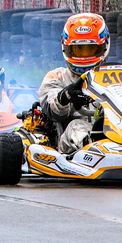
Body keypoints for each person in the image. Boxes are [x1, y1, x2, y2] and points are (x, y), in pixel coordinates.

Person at [37, 13, 110, 153]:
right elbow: (51, 108)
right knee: (77, 126)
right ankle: (92, 147)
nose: (84, 56)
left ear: (104, 46)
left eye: (91, 49)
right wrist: (65, 97)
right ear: (66, 48)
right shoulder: (57, 77)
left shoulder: (115, 77)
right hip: (70, 141)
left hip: (115, 131)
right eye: (78, 49)